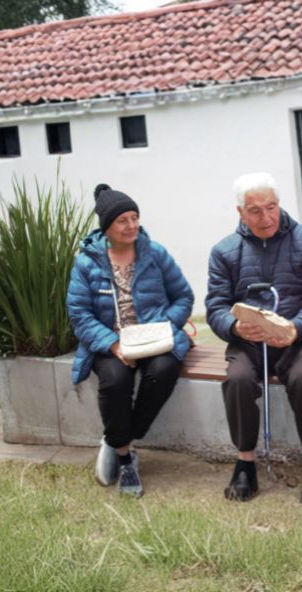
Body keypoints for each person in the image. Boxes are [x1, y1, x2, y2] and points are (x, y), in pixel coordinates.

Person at [205, 172, 302, 505]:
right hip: (249, 342)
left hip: (298, 339)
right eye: (255, 211)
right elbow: (215, 305)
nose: (266, 217)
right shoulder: (224, 251)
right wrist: (235, 329)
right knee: (237, 380)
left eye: (271, 207)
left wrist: (295, 329)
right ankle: (245, 462)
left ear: (280, 204)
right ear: (240, 213)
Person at [67, 184, 194, 497]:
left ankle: (118, 438)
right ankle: (126, 460)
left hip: (154, 338)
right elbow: (80, 316)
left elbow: (184, 296)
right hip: (110, 341)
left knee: (164, 371)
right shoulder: (86, 263)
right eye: (122, 220)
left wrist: (164, 327)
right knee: (115, 380)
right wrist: (114, 345)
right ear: (107, 227)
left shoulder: (156, 254)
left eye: (134, 217)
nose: (131, 225)